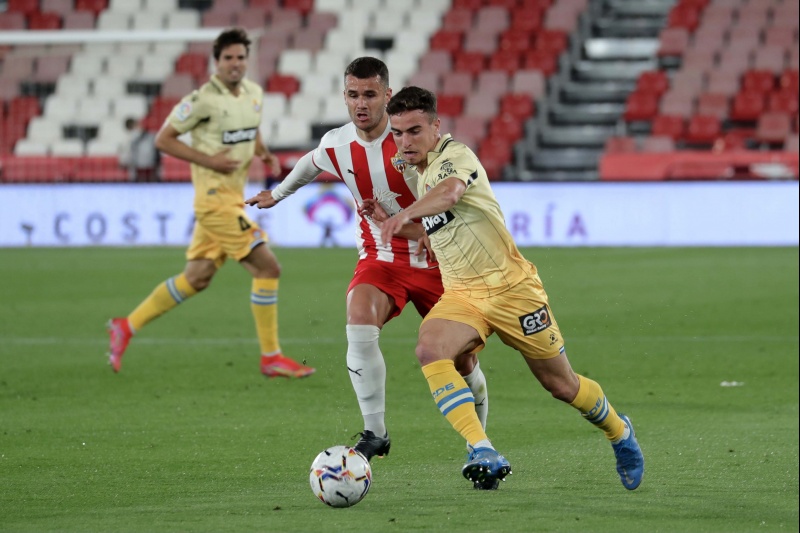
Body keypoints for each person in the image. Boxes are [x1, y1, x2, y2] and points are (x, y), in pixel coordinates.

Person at [363, 86, 644, 490]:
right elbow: (434, 230)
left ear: (436, 126)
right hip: (463, 295)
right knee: (429, 349)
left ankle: (619, 432)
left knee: (561, 385)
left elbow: (451, 194)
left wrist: (403, 213)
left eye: (414, 131)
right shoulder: (417, 170)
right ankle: (482, 449)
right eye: (398, 133)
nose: (405, 141)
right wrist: (390, 219)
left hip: (513, 291)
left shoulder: (455, 157)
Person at [244, 58, 490, 466]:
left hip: (439, 261)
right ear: (344, 96)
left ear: (387, 96)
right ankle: (376, 432)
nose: (361, 103)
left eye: (370, 94)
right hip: (382, 256)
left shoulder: (412, 140)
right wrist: (279, 193)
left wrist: (430, 231)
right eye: (353, 94)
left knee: (462, 360)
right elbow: (311, 162)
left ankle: (478, 446)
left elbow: (450, 191)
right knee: (358, 317)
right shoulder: (337, 144)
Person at [106, 28, 314, 379]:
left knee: (197, 277)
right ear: (216, 62)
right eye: (228, 58)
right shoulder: (201, 100)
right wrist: (209, 161)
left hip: (234, 199)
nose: (235, 64)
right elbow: (164, 140)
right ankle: (271, 357)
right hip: (214, 202)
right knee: (268, 268)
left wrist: (263, 152)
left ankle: (125, 326)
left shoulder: (253, 93)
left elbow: (251, 128)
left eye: (240, 57)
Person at [119, 117, 159, 182]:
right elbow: (126, 152)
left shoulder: (148, 136)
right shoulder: (130, 137)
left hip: (144, 164)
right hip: (135, 164)